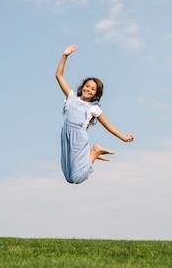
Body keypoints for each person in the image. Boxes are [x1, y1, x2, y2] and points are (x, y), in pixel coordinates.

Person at [56, 44, 134, 184]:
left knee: (76, 178)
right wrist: (65, 56)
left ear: (96, 94)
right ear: (82, 86)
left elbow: (108, 126)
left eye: (92, 89)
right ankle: (93, 154)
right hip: (66, 135)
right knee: (68, 177)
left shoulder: (94, 108)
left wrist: (124, 138)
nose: (88, 90)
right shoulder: (71, 96)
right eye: (87, 86)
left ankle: (95, 152)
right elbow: (59, 75)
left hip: (78, 138)